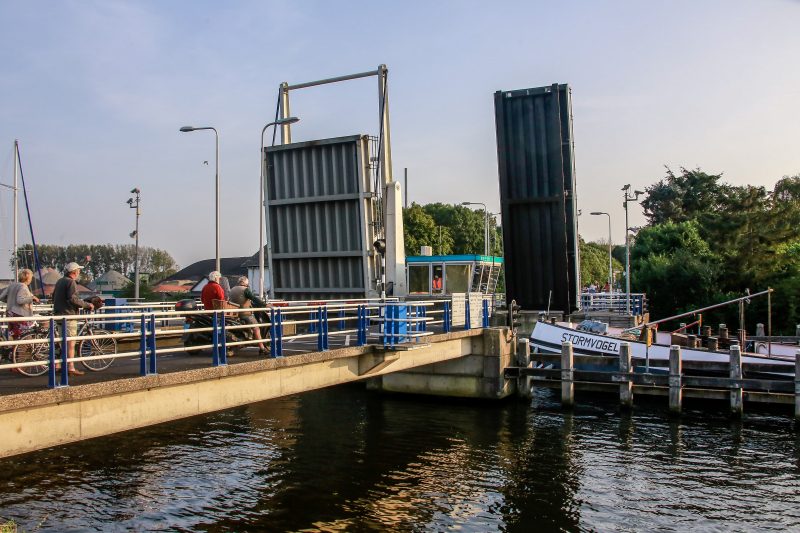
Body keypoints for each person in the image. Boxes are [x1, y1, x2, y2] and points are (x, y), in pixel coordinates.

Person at [52, 262, 94, 376]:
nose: (79, 274)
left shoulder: (60, 281)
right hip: (68, 315)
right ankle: (70, 367)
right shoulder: (71, 282)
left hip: (58, 314)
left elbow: (54, 296)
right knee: (71, 342)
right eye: (78, 272)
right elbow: (72, 299)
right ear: (75, 272)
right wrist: (86, 305)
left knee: (62, 341)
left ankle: (58, 365)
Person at [230, 276, 268, 354]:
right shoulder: (245, 290)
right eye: (247, 284)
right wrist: (265, 305)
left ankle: (250, 335)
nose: (247, 285)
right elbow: (254, 298)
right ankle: (262, 348)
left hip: (235, 313)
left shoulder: (232, 289)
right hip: (245, 313)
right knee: (256, 328)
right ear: (245, 283)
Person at [0, 269, 40, 339]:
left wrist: (10, 300)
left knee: (15, 335)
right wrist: (31, 298)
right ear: (27, 279)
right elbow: (20, 300)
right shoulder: (23, 286)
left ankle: (16, 349)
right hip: (19, 313)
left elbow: (1, 297)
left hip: (10, 312)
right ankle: (22, 349)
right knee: (25, 335)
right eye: (30, 278)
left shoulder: (11, 285)